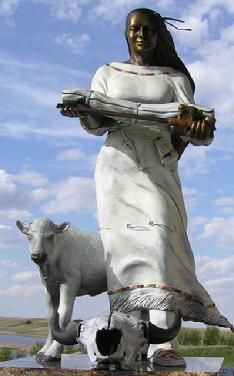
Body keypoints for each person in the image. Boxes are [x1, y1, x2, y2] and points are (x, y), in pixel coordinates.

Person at [60, 8, 233, 367]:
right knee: (123, 252)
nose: (142, 35)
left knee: (159, 244)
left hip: (158, 164)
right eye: (135, 29)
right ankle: (130, 335)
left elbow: (192, 128)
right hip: (116, 165)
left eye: (150, 29)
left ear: (160, 35)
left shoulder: (173, 77)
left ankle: (164, 338)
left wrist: (195, 134)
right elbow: (96, 124)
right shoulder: (108, 73)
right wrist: (83, 111)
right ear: (126, 32)